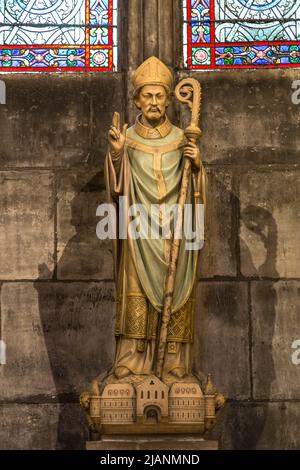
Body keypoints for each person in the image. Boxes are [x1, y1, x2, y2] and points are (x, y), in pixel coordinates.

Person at [105, 56, 206, 381]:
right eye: (146, 96)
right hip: (138, 228)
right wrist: (118, 154)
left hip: (176, 228)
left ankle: (175, 360)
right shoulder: (127, 139)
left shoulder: (182, 139)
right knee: (135, 285)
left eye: (159, 95)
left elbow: (197, 190)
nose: (153, 102)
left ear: (167, 100)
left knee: (177, 285)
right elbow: (117, 189)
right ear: (136, 99)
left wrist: (196, 165)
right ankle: (133, 358)